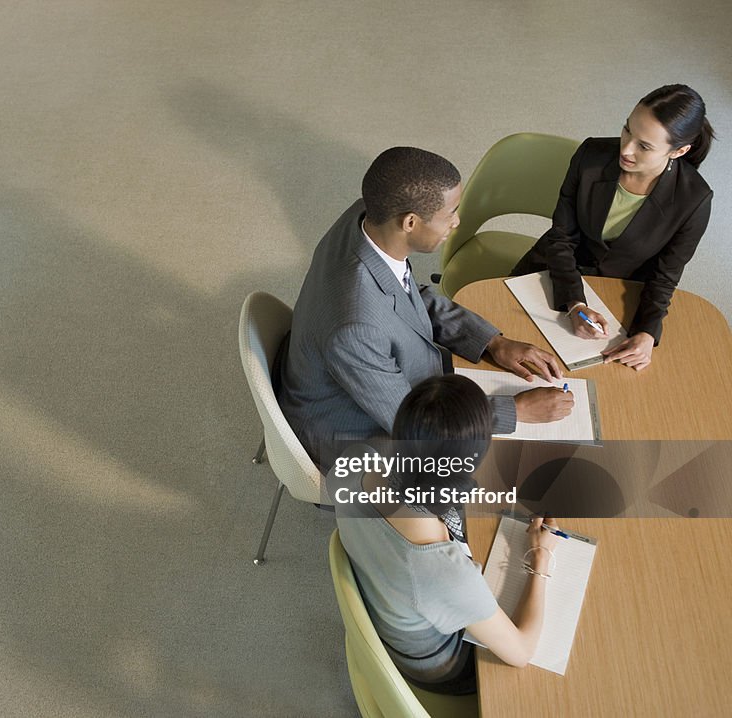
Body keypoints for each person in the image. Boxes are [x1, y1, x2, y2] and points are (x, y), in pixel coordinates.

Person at [278, 147, 572, 473]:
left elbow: (406, 293)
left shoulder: (367, 217)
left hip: (367, 379)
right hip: (354, 438)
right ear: (410, 222)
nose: (457, 222)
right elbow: (414, 427)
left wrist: (493, 343)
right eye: (451, 214)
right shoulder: (356, 330)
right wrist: (515, 411)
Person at [332, 374, 560, 695]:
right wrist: (541, 558)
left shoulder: (354, 461)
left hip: (396, 600)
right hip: (442, 666)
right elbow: (521, 652)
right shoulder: (439, 569)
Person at [512, 84, 715, 370]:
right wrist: (575, 303)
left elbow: (664, 276)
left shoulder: (694, 200)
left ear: (679, 150)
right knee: (512, 344)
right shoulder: (591, 154)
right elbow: (561, 237)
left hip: (619, 291)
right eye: (627, 130)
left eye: (644, 146)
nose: (627, 148)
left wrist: (646, 333)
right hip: (554, 268)